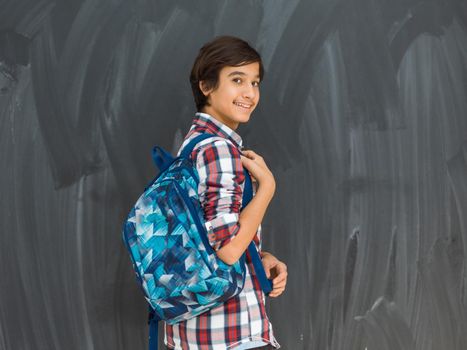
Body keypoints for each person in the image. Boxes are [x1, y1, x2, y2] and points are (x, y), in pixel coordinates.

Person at [165, 35, 288, 350]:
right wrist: (267, 189)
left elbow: (206, 242)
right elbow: (229, 248)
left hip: (191, 333)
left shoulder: (193, 144)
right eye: (237, 80)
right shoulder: (219, 149)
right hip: (232, 335)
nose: (249, 93)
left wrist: (259, 260)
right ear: (206, 86)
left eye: (255, 83)